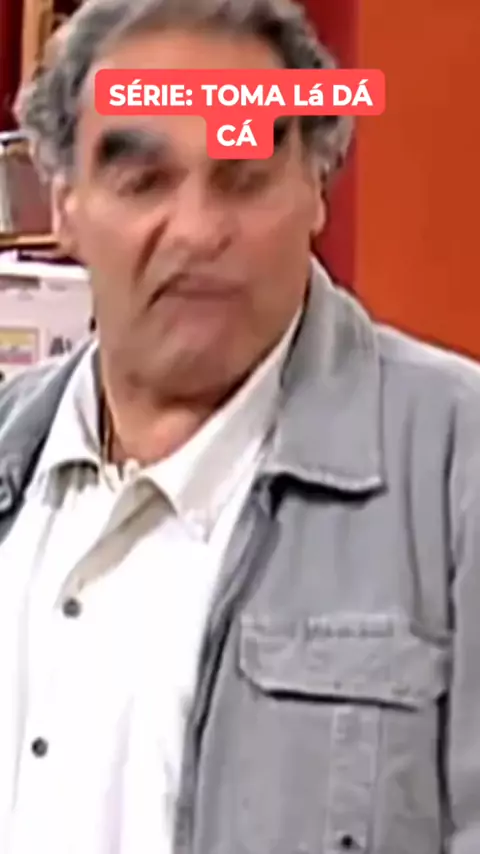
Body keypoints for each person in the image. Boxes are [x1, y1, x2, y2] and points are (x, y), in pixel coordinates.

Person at [2, 0, 480, 852]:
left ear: (317, 186)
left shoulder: (457, 468)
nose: (196, 231)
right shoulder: (14, 451)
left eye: (244, 176)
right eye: (144, 180)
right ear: (65, 204)